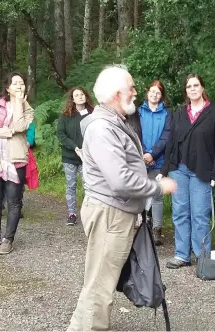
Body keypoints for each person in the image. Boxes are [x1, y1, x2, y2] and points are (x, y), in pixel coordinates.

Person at [67, 65, 177, 331]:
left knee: (99, 280)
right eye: (132, 88)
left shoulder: (115, 122)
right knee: (100, 285)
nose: (136, 93)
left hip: (114, 214)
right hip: (109, 215)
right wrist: (156, 187)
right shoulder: (103, 128)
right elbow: (120, 181)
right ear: (117, 94)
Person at [161, 73, 215, 269]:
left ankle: (201, 255)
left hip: (202, 170)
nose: (192, 89)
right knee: (180, 212)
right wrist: (165, 169)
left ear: (202, 88)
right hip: (179, 169)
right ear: (186, 91)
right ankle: (182, 254)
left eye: (196, 85)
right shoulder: (180, 113)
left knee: (199, 213)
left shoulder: (213, 112)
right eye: (189, 86)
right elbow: (171, 142)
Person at [0, 72, 35, 255]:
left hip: (17, 158)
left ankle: (8, 239)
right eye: (15, 83)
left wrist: (19, 104)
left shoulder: (28, 109)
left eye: (22, 83)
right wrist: (7, 132)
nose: (19, 86)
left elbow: (20, 127)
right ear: (7, 87)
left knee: (14, 201)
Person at [138, 80, 172, 246]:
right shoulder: (138, 112)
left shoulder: (167, 114)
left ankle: (157, 230)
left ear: (161, 96)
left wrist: (152, 154)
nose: (154, 95)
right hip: (139, 160)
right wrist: (144, 153)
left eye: (158, 93)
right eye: (152, 91)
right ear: (147, 93)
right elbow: (135, 132)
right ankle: (141, 227)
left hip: (159, 161)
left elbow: (166, 136)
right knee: (140, 194)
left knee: (157, 196)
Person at [57, 86, 94, 226]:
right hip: (70, 157)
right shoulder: (66, 115)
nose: (80, 96)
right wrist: (75, 147)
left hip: (88, 158)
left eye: (82, 94)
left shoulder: (93, 113)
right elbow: (61, 134)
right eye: (77, 95)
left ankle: (89, 213)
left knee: (89, 185)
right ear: (72, 99)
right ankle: (72, 213)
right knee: (71, 185)